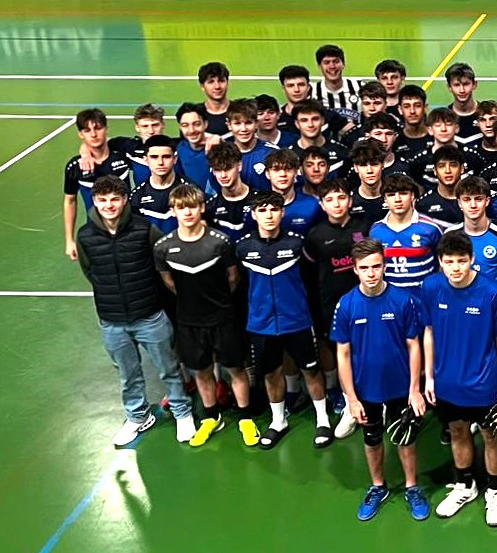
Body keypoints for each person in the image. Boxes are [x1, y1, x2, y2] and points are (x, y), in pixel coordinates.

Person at [77, 175, 194, 446]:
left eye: (115, 199)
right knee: (127, 374)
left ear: (125, 200)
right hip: (112, 320)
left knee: (169, 368)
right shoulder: (85, 236)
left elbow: (166, 261)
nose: (109, 205)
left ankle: (182, 412)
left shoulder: (145, 229)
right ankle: (138, 415)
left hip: (150, 315)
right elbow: (89, 270)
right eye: (103, 200)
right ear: (94, 201)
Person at [422, 232, 497, 525]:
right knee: (458, 432)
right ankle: (465, 485)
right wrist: (429, 377)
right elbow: (428, 332)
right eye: (449, 261)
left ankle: (495, 491)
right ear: (440, 262)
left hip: (485, 383)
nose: (455, 268)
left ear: (472, 259)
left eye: (461, 261)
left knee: (491, 436)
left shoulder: (491, 291)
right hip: (447, 382)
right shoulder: (431, 287)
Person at [332, 239, 428, 521]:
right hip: (366, 389)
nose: (371, 273)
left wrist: (415, 389)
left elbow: (414, 346)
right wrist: (351, 398)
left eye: (376, 266)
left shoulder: (403, 301)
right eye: (365, 268)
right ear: (355, 270)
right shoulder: (346, 305)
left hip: (400, 386)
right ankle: (378, 486)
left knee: (405, 438)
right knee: (372, 438)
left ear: (385, 266)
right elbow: (342, 354)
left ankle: (412, 486)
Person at [155, 184, 252, 445]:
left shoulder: (220, 242)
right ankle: (212, 417)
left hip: (223, 319)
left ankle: (245, 418)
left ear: (201, 208)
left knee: (236, 369)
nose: (187, 212)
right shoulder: (163, 247)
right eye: (181, 208)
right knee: (201, 372)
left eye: (192, 207)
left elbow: (233, 277)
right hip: (189, 322)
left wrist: (217, 302)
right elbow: (169, 282)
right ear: (173, 211)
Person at [237, 190, 333, 449]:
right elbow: (239, 284)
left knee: (311, 371)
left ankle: (323, 419)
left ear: (282, 213)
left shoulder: (297, 244)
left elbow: (312, 281)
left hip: (298, 321)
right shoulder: (243, 247)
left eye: (274, 210)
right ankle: (278, 421)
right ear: (254, 215)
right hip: (261, 324)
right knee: (271, 374)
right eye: (263, 210)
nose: (269, 215)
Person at [303, 179, 366, 435]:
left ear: (350, 200)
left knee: (368, 353)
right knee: (343, 355)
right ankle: (351, 405)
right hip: (332, 308)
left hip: (366, 304)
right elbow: (309, 276)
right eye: (329, 200)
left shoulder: (364, 228)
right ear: (322, 205)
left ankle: (377, 403)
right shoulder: (315, 236)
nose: (336, 204)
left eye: (341, 198)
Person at [63, 109, 135, 259]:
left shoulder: (123, 155)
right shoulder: (75, 167)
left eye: (98, 128)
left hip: (129, 230)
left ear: (107, 129)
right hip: (96, 234)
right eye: (87, 130)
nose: (94, 135)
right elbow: (70, 201)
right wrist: (69, 239)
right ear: (80, 135)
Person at [370, 174, 442, 293]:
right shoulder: (376, 231)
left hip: (425, 298)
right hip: (390, 300)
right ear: (385, 199)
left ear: (412, 196)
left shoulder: (430, 228)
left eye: (403, 193)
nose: (397, 199)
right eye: (391, 195)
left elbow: (443, 263)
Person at [129, 136, 189, 236]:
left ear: (175, 159)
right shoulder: (137, 196)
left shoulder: (190, 190)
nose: (160, 162)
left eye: (166, 157)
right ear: (146, 160)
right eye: (154, 157)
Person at [174, 103, 221, 189]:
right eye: (185, 125)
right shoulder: (179, 150)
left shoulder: (218, 147)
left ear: (205, 124)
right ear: (180, 127)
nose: (191, 130)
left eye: (196, 124)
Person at [312, 44, 363, 117]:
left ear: (343, 64)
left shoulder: (360, 87)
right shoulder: (312, 92)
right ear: (320, 66)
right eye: (326, 62)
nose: (332, 66)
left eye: (336, 61)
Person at [197, 61, 232, 135]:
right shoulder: (195, 115)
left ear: (228, 83)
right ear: (202, 86)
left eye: (221, 81)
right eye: (211, 82)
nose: (217, 86)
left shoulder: (240, 111)